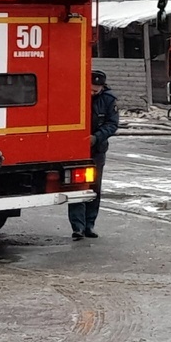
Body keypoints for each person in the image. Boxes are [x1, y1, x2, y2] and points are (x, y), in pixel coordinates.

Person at [69, 69, 120, 240]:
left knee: (94, 188)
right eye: (90, 89)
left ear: (101, 87)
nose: (92, 93)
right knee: (77, 187)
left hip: (97, 150)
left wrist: (96, 137)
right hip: (76, 150)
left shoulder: (109, 100)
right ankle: (77, 227)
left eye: (95, 90)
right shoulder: (76, 95)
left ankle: (89, 225)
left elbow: (112, 124)